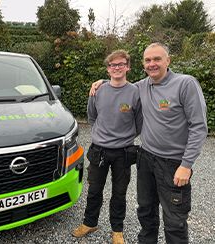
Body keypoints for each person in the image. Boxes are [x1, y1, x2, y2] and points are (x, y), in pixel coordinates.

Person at [90, 42, 208, 244]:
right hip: (145, 158)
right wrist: (100, 82)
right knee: (145, 211)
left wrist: (186, 165)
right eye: (148, 60)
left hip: (173, 163)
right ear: (143, 64)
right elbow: (119, 85)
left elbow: (199, 127)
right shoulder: (140, 87)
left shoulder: (185, 84)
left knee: (174, 220)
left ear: (168, 61)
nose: (152, 64)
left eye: (157, 59)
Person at [72, 50, 142, 244]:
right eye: (113, 65)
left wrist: (123, 137)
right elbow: (92, 116)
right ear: (108, 69)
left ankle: (117, 230)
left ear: (128, 67)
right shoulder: (98, 90)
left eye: (121, 64)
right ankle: (89, 223)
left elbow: (139, 123)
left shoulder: (136, 92)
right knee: (94, 190)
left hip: (124, 152)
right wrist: (100, 134)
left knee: (119, 193)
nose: (117, 68)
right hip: (99, 150)